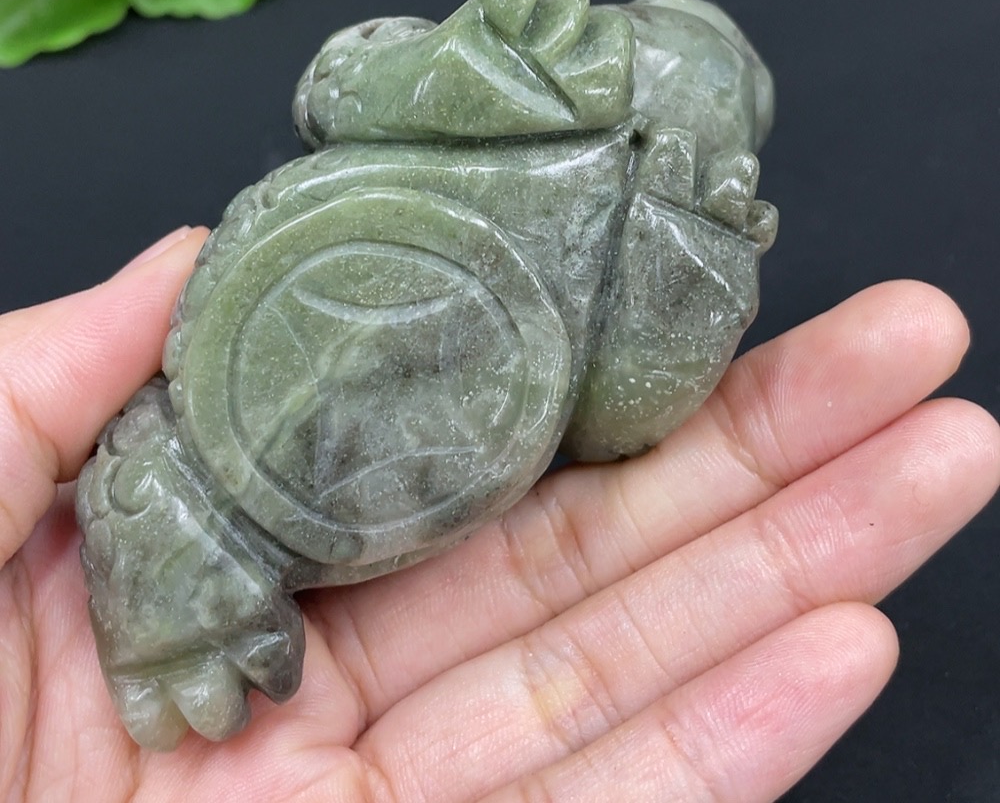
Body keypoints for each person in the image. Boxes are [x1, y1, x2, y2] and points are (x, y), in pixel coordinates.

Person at [0, 225, 997, 802]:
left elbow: (617, 423)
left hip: (352, 417)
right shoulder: (510, 80)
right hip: (272, 420)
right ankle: (182, 595)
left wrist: (693, 261)